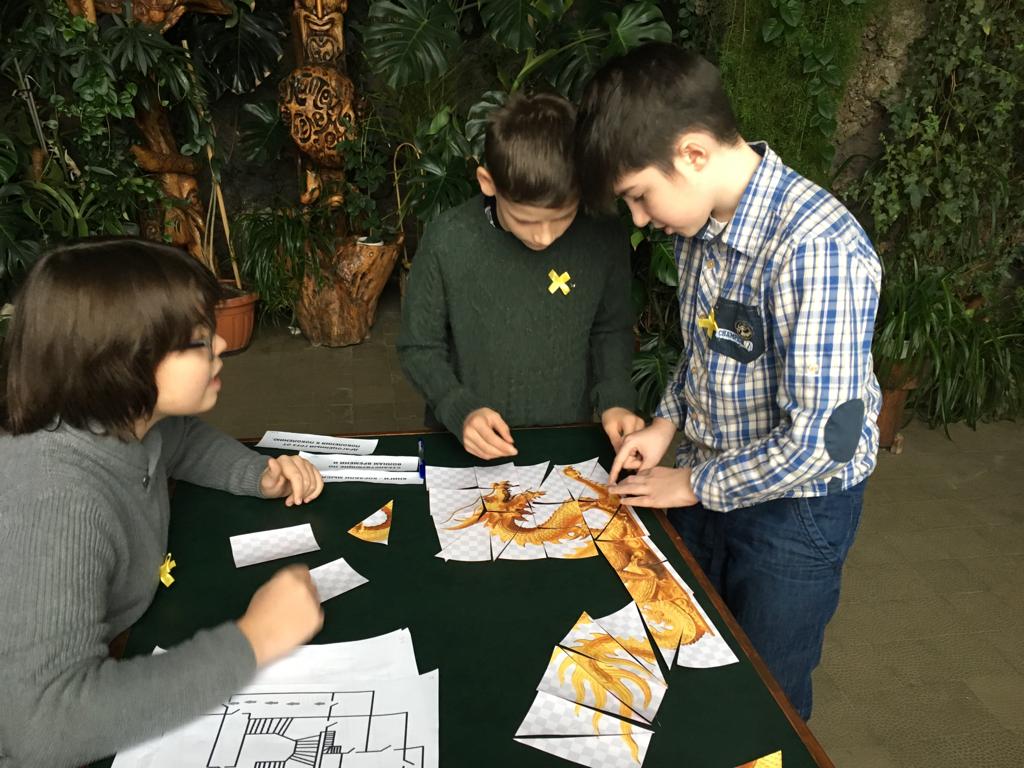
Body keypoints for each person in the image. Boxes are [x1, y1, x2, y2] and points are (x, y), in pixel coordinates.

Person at [576, 43, 881, 719]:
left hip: (794, 512)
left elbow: (822, 444)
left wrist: (690, 485)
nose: (639, 219)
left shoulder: (816, 249)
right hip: (707, 477)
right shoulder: (698, 222)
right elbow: (707, 348)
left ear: (691, 153)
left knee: (765, 693)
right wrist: (666, 425)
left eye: (639, 196)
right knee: (690, 653)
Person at [0, 238, 326, 766]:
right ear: (120, 361)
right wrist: (253, 642)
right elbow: (44, 727)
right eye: (197, 340)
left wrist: (257, 475)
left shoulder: (122, 419)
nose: (221, 343)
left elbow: (180, 441)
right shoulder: (52, 495)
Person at [397, 92, 643, 461]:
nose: (544, 237)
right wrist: (457, 407)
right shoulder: (448, 238)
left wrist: (616, 399)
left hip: (565, 442)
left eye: (562, 218)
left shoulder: (603, 235)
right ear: (488, 182)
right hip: (465, 445)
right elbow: (419, 347)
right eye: (526, 220)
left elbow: (611, 328)